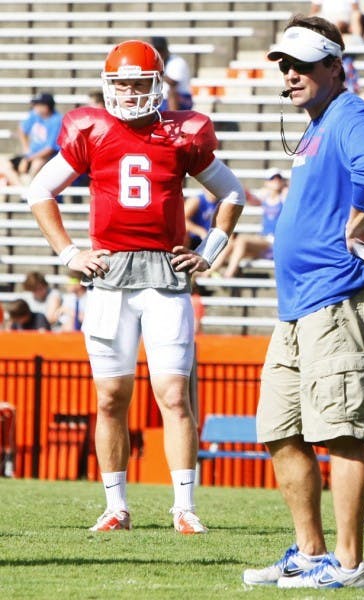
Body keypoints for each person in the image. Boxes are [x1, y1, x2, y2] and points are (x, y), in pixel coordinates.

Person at [27, 40, 245, 533]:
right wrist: (69, 253)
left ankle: (185, 508)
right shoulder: (91, 128)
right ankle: (115, 506)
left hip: (165, 274)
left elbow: (231, 192)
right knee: (110, 397)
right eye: (121, 82)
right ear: (108, 85)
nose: (128, 91)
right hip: (108, 274)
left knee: (173, 394)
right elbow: (40, 190)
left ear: (158, 85)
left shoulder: (182, 132)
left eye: (138, 82)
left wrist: (209, 251)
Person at [242, 15, 364, 590]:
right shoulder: (316, 124)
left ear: (336, 65)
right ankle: (311, 554)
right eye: (284, 63)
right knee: (280, 430)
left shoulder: (349, 113)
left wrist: (359, 221)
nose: (291, 73)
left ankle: (350, 566)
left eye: (304, 63)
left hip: (339, 297)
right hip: (298, 306)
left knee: (338, 432)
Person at [208, 168, 288, 278]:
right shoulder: (266, 197)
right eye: (272, 179)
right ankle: (208, 273)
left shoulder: (285, 197)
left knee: (241, 240)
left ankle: (228, 276)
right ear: (267, 183)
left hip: (274, 242)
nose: (276, 181)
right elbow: (250, 197)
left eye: (279, 179)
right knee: (232, 243)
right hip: (265, 241)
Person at [0, 92, 62, 188]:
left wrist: (28, 158)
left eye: (37, 105)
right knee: (3, 164)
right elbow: (22, 129)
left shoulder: (57, 121)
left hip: (47, 158)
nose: (34, 107)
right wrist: (26, 150)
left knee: (37, 164)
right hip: (31, 155)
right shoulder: (35, 115)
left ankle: (29, 191)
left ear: (46, 107)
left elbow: (50, 149)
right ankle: (22, 192)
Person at [150, 36, 193, 111]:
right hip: (161, 100)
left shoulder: (177, 61)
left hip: (182, 98)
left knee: (172, 93)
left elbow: (173, 83)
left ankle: (174, 121)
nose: (158, 52)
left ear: (165, 49)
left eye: (160, 49)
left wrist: (157, 71)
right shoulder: (152, 63)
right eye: (156, 50)